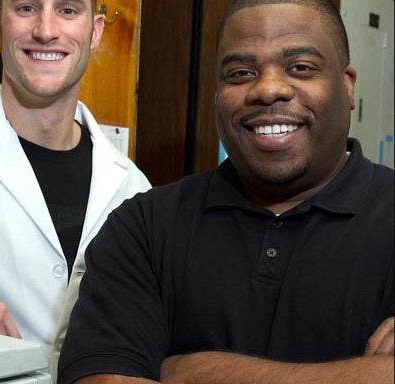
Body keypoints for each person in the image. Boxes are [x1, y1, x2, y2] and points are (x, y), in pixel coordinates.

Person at [57, 0, 394, 383]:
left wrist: (194, 372)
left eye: (300, 68)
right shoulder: (144, 228)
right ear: (217, 95)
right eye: (241, 72)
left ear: (347, 86)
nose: (268, 90)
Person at [0, 0, 150, 378]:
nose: (46, 29)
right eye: (26, 8)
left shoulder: (133, 188)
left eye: (68, 11)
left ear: (95, 31)